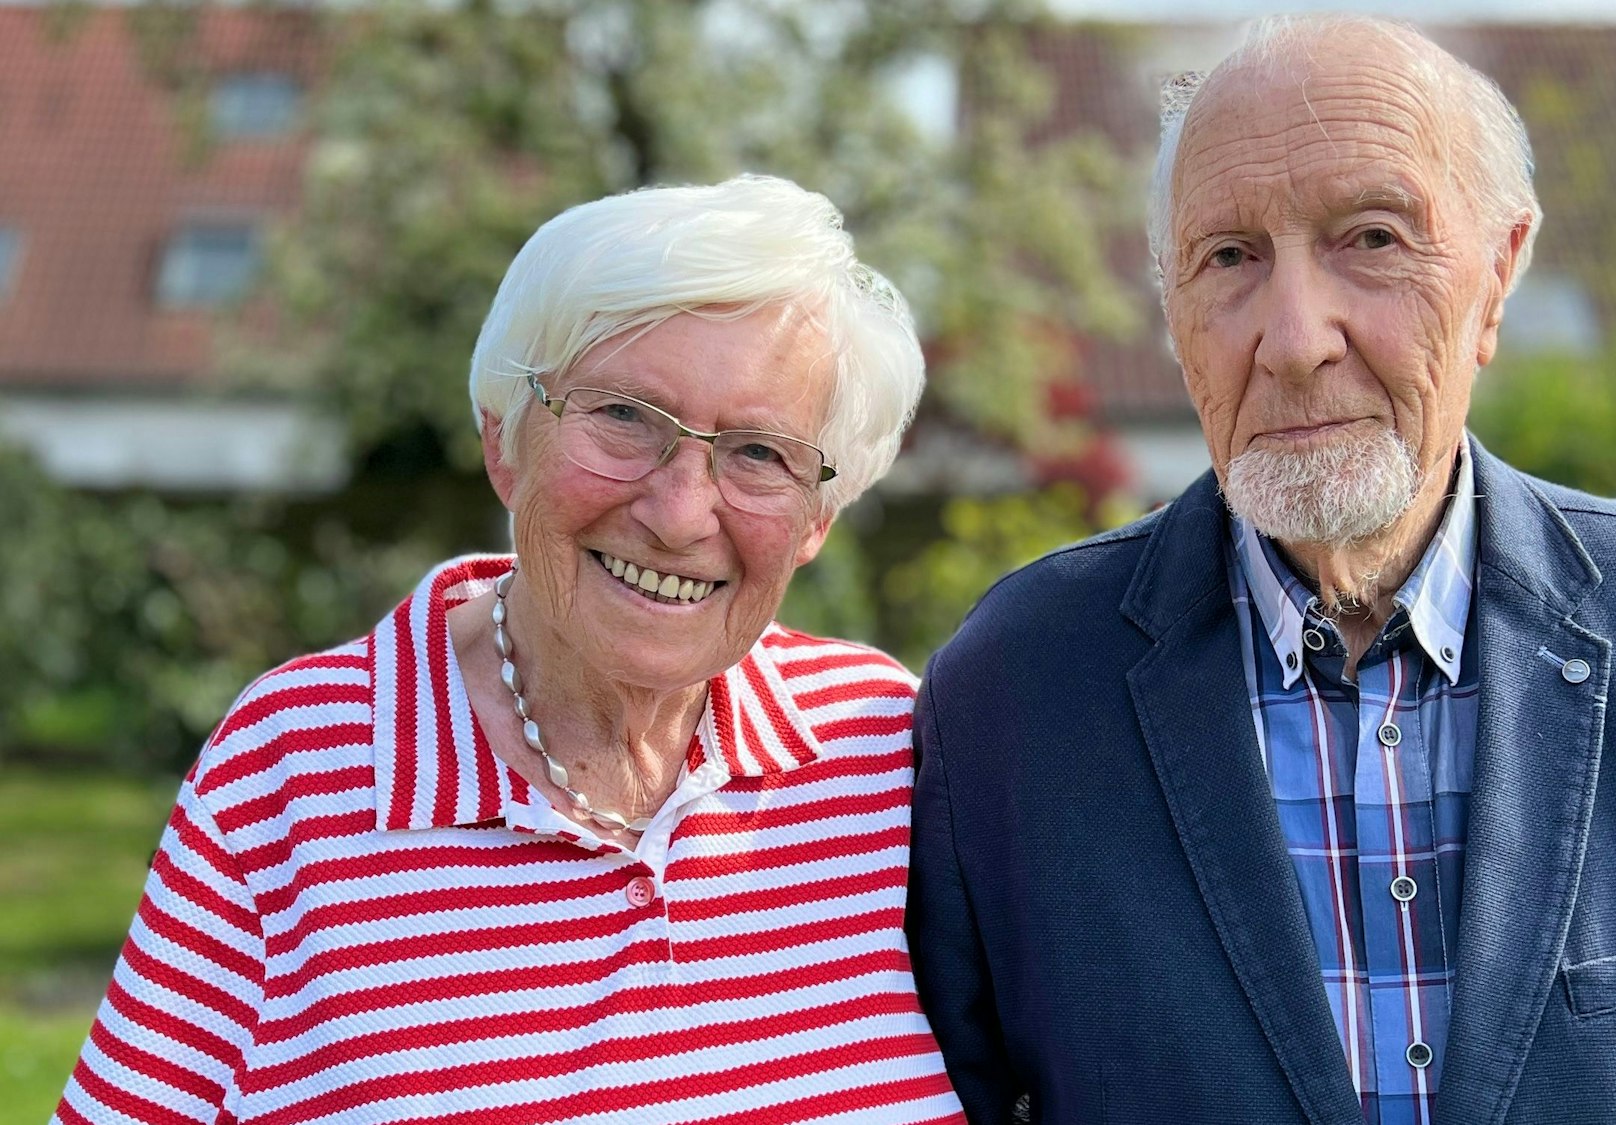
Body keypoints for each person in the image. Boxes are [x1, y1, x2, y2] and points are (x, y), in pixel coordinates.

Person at [907, 15, 1616, 1125]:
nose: (1294, 339)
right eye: (1229, 258)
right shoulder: (1014, 695)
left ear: (1497, 276)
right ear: (1170, 307)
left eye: (1372, 239)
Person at [56, 176, 964, 1124]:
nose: (681, 512)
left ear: (818, 516)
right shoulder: (297, 764)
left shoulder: (876, 744)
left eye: (759, 454)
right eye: (624, 417)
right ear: (504, 440)